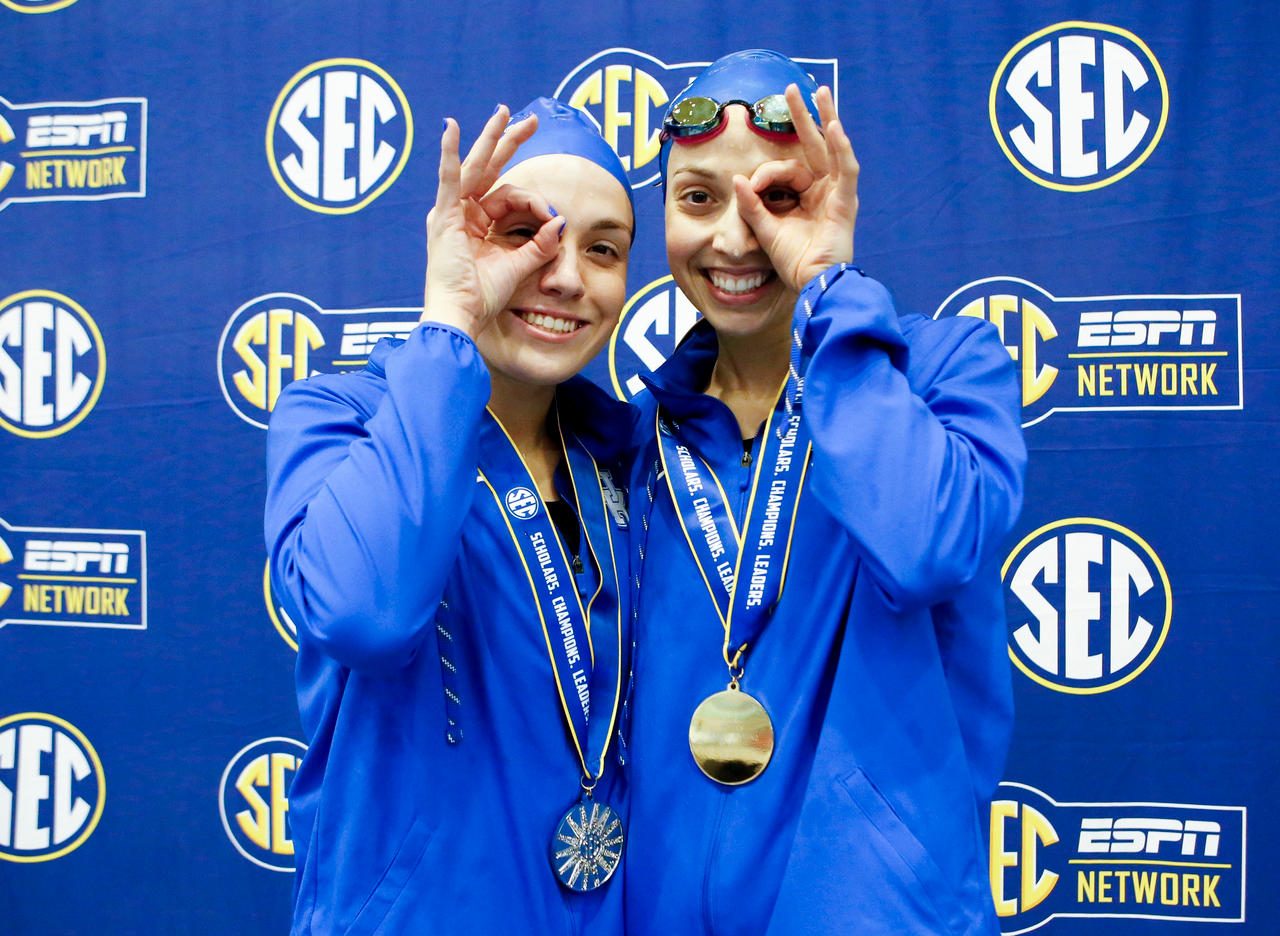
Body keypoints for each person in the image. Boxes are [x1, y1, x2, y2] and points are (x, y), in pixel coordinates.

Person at [622, 50, 1027, 935]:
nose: (737, 240)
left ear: (833, 197)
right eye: (698, 198)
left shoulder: (941, 372)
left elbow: (923, 550)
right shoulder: (636, 439)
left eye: (777, 198)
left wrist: (829, 290)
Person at [264, 98, 636, 936]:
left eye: (603, 249)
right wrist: (450, 323)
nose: (566, 276)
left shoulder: (627, 457)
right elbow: (366, 617)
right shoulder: (342, 419)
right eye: (525, 234)